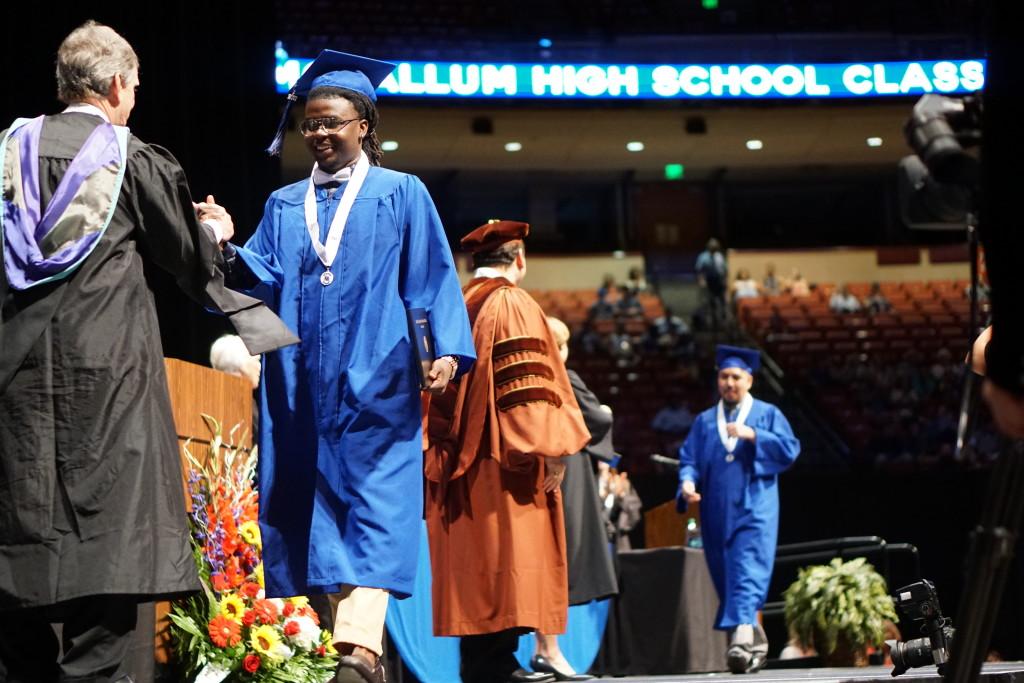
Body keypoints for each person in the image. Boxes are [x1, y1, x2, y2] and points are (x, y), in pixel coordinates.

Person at [0, 21, 296, 683]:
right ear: (114, 85)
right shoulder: (129, 156)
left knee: (15, 576)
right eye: (132, 86)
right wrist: (212, 230)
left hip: (13, 387)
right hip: (106, 390)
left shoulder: (6, 150)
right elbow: (187, 260)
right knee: (103, 575)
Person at [220, 50, 475, 683]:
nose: (320, 133)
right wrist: (223, 244)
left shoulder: (401, 193)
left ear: (364, 123)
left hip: (379, 374)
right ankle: (355, 650)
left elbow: (432, 277)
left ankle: (360, 646)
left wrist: (444, 351)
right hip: (302, 380)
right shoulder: (284, 204)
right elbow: (262, 281)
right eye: (310, 123)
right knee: (315, 507)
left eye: (332, 121)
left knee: (379, 502)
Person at [424, 220, 591, 683]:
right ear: (519, 258)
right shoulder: (512, 302)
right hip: (503, 461)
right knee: (507, 563)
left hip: (454, 461)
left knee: (475, 567)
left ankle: (486, 664)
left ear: (471, 263)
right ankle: (496, 664)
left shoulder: (454, 302)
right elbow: (529, 389)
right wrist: (550, 447)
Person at [676, 345, 800, 674]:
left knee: (748, 569)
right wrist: (687, 483)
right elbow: (689, 460)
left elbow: (790, 448)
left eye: (736, 377)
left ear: (749, 380)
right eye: (724, 376)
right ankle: (751, 647)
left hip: (755, 506)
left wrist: (754, 435)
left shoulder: (766, 414)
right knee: (726, 575)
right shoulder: (704, 422)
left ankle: (742, 639)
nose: (729, 383)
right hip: (716, 511)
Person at [530, 317, 618, 682]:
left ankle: (544, 648)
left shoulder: (534, 380)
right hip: (565, 476)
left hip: (540, 474)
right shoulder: (564, 377)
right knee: (558, 561)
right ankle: (549, 651)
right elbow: (597, 418)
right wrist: (608, 414)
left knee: (547, 562)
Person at [695, 238, 728, 328]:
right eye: (712, 246)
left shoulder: (719, 256)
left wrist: (725, 280)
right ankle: (711, 322)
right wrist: (701, 280)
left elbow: (724, 269)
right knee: (709, 301)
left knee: (722, 302)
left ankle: (723, 320)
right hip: (709, 281)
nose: (714, 247)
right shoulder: (703, 256)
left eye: (716, 246)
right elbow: (699, 270)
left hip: (719, 281)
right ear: (708, 247)